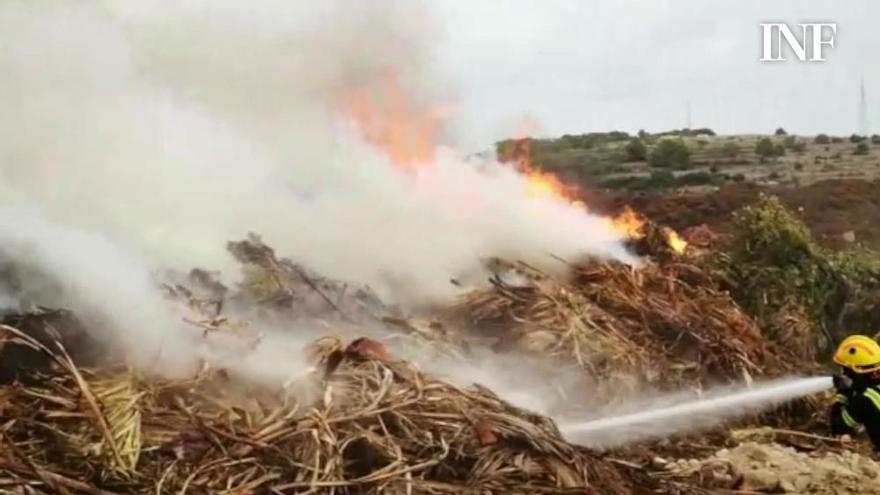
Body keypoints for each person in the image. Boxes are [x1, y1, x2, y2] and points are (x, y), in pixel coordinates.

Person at [830, 334, 880, 450]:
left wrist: (842, 392)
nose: (842, 374)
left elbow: (837, 426)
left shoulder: (864, 400)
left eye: (844, 370)